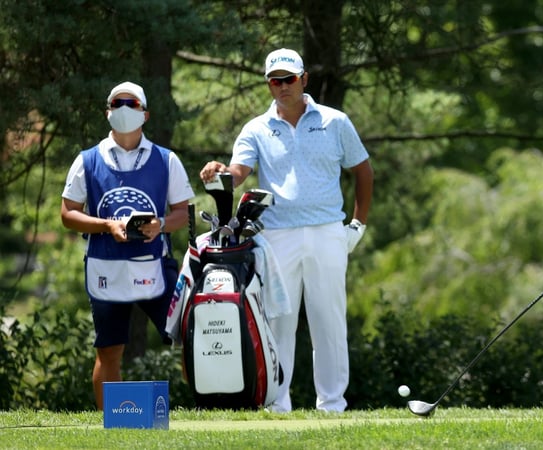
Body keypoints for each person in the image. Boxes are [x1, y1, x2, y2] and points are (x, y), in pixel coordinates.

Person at [200, 48, 374, 413]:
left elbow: (363, 171)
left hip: (327, 230)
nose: (282, 87)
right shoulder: (256, 129)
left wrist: (357, 224)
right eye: (275, 81)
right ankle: (277, 403)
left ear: (304, 79)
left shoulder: (334, 121)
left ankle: (332, 404)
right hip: (277, 236)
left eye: (289, 79)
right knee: (279, 319)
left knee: (329, 319)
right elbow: (237, 173)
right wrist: (218, 174)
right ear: (269, 85)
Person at [61, 81, 195, 410]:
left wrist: (159, 225)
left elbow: (183, 214)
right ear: (108, 113)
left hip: (155, 266)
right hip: (106, 265)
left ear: (145, 114)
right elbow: (67, 214)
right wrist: (107, 225)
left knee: (189, 336)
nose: (123, 108)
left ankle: (201, 411)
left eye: (131, 103)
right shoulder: (87, 160)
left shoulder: (167, 160)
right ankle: (112, 421)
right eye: (116, 103)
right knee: (109, 350)